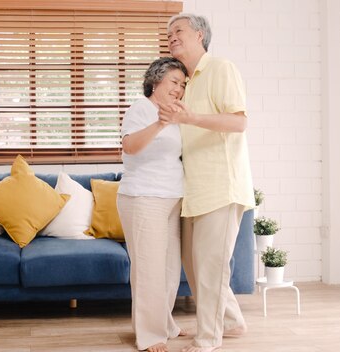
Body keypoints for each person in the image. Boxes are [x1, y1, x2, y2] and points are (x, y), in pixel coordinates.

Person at [159, 14, 255, 352]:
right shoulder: (185, 80)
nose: (171, 36)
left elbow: (239, 123)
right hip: (194, 190)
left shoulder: (221, 69)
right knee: (197, 267)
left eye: (178, 31)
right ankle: (231, 322)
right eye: (168, 32)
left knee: (211, 268)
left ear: (200, 35)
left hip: (221, 186)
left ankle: (207, 339)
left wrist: (191, 117)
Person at [116, 57, 188, 352]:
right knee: (149, 269)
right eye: (174, 82)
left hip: (172, 197)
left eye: (183, 85)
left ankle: (165, 323)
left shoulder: (176, 114)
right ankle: (148, 334)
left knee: (170, 269)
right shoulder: (141, 108)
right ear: (156, 81)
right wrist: (160, 122)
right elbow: (129, 146)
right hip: (143, 196)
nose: (179, 89)